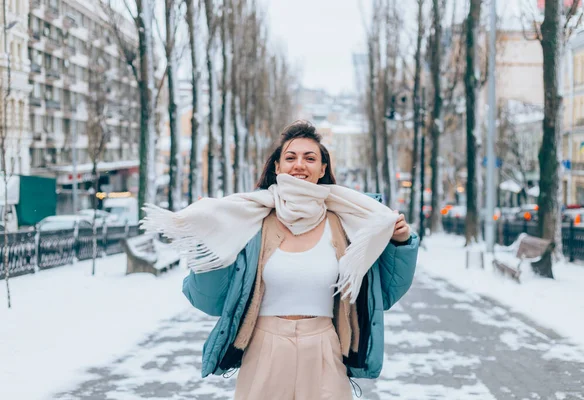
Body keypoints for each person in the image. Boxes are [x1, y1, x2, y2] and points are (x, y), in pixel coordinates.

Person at [141, 121, 419, 400]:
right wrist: (212, 244)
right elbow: (209, 301)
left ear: (323, 169)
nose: (300, 164)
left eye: (310, 158)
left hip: (324, 347)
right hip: (264, 348)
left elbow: (384, 292)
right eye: (290, 157)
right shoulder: (249, 222)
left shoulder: (347, 224)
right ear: (277, 166)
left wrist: (400, 243)